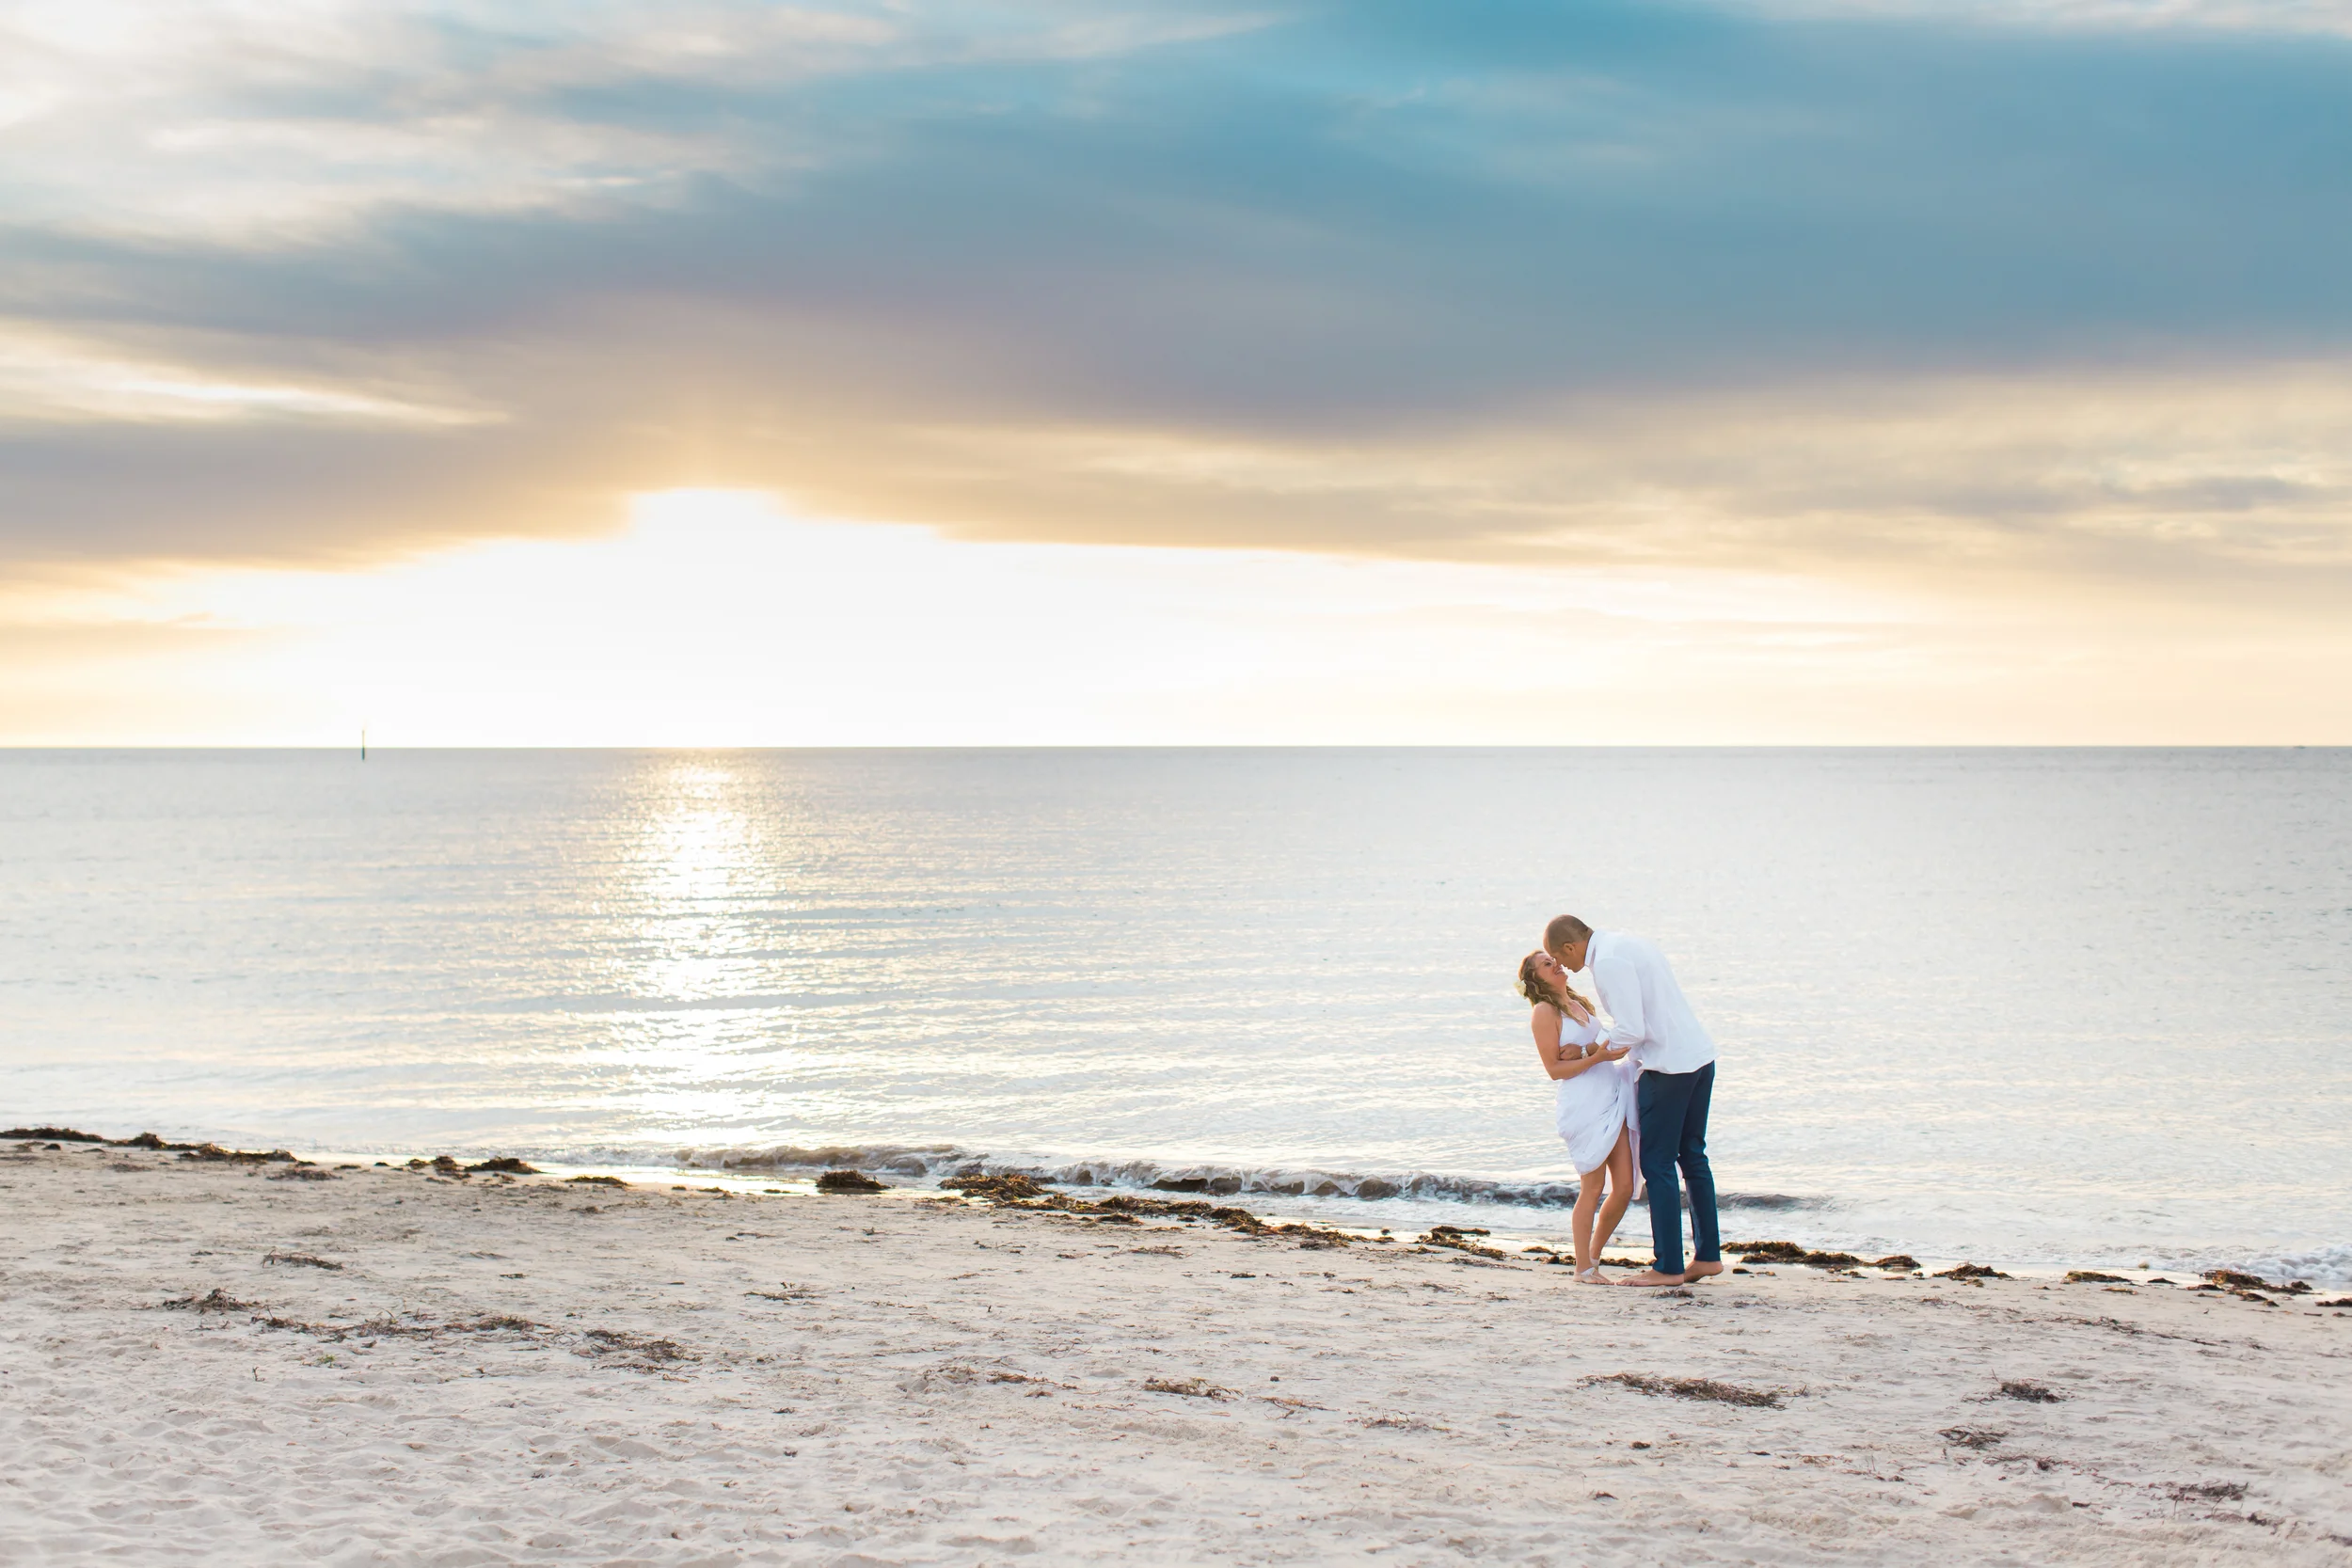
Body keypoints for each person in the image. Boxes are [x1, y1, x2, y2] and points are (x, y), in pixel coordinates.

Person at [1543, 913, 1721, 1288]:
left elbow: (1631, 1029)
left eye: (1561, 958)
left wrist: (1590, 1048)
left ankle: (1669, 1267)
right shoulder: (1628, 942)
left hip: (1667, 1068)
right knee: (1692, 1157)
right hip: (1699, 1057)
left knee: (1657, 1163)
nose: (1568, 969)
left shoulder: (1606, 962)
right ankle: (1707, 1257)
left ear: (1571, 947)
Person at [1516, 949, 1638, 1283]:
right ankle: (1583, 1267)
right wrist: (1595, 1058)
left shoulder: (1580, 1003)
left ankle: (1595, 1254)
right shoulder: (1544, 1012)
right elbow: (1554, 1069)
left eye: (1552, 960)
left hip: (1611, 1096)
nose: (1555, 964)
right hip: (1583, 1105)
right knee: (1593, 1186)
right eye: (1546, 964)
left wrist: (1592, 1052)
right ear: (1535, 979)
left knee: (1625, 1186)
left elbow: (1596, 1046)